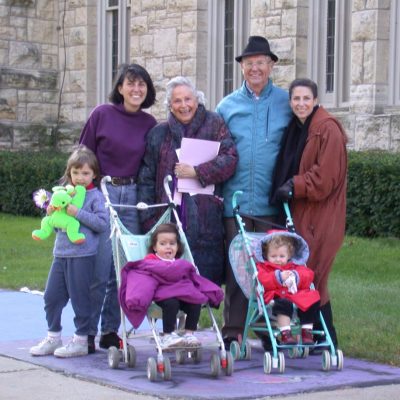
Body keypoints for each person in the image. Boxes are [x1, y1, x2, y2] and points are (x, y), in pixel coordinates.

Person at [215, 36, 292, 347]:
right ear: (242, 68)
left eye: (261, 62)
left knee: (272, 270)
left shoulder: (286, 102)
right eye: (249, 64)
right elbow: (216, 153)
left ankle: (267, 330)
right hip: (236, 203)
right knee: (237, 270)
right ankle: (233, 331)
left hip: (272, 203)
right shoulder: (227, 106)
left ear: (270, 65)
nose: (255, 68)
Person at [79, 63, 157, 352]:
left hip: (134, 196)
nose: (136, 89)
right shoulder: (102, 114)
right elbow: (82, 157)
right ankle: (84, 331)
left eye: (142, 84)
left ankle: (110, 330)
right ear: (120, 87)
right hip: (104, 193)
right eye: (131, 83)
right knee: (100, 267)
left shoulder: (150, 124)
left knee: (124, 268)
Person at [137, 76, 238, 286]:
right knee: (166, 282)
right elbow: (146, 179)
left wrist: (197, 171)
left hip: (205, 216)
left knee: (201, 282)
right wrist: (149, 220)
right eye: (177, 101)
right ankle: (175, 318)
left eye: (188, 99)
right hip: (167, 217)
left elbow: (230, 158)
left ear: (197, 100)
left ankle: (192, 317)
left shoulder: (214, 123)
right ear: (170, 106)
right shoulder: (158, 134)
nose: (184, 105)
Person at [270, 78, 348, 347]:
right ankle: (318, 339)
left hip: (321, 216)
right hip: (305, 213)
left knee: (314, 276)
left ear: (315, 100)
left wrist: (295, 185)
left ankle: (326, 340)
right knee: (307, 277)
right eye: (296, 99)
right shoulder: (301, 128)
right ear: (290, 102)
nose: (301, 103)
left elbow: (326, 177)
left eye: (306, 98)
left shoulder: (326, 129)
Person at [30, 146, 108, 358]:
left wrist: (78, 213)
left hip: (83, 256)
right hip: (61, 254)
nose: (80, 178)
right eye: (75, 173)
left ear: (94, 174)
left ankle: (81, 340)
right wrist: (52, 216)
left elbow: (102, 224)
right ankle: (53, 337)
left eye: (85, 173)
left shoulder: (95, 197)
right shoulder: (63, 194)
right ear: (69, 173)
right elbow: (58, 227)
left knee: (81, 299)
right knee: (51, 297)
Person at [118, 223, 224, 349]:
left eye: (172, 243)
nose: (168, 247)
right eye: (163, 244)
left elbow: (190, 278)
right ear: (155, 247)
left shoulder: (179, 263)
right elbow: (143, 280)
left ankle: (189, 333)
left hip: (182, 294)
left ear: (178, 247)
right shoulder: (150, 262)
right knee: (171, 303)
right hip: (163, 295)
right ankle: (168, 335)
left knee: (196, 301)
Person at [256, 231, 320, 345]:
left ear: (289, 255)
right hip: (276, 294)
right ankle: (286, 333)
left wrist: (296, 276)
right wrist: (278, 277)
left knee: (312, 297)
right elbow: (263, 280)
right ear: (266, 255)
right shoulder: (264, 268)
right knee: (283, 303)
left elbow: (308, 276)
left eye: (282, 256)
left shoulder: (295, 266)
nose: (278, 259)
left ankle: (307, 331)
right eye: (273, 256)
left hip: (295, 294)